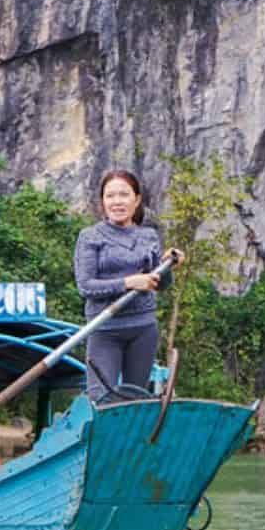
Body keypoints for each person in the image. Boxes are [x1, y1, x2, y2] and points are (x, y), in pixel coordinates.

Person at [72, 169, 184, 403]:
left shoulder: (148, 236)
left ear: (137, 199)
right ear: (102, 201)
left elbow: (159, 284)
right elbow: (86, 286)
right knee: (100, 400)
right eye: (110, 196)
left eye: (124, 195)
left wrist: (167, 264)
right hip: (104, 328)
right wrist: (129, 283)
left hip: (143, 328)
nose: (117, 202)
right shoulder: (90, 236)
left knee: (136, 400)